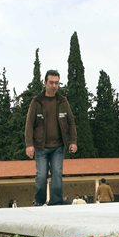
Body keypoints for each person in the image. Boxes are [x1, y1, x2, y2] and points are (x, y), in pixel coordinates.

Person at [25, 69, 77, 206]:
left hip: (58, 147)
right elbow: (29, 124)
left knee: (57, 174)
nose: (54, 86)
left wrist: (73, 141)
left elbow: (71, 122)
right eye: (51, 83)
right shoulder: (36, 102)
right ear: (45, 83)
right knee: (41, 175)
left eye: (57, 83)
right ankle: (39, 201)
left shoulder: (63, 101)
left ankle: (56, 202)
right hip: (40, 147)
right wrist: (29, 144)